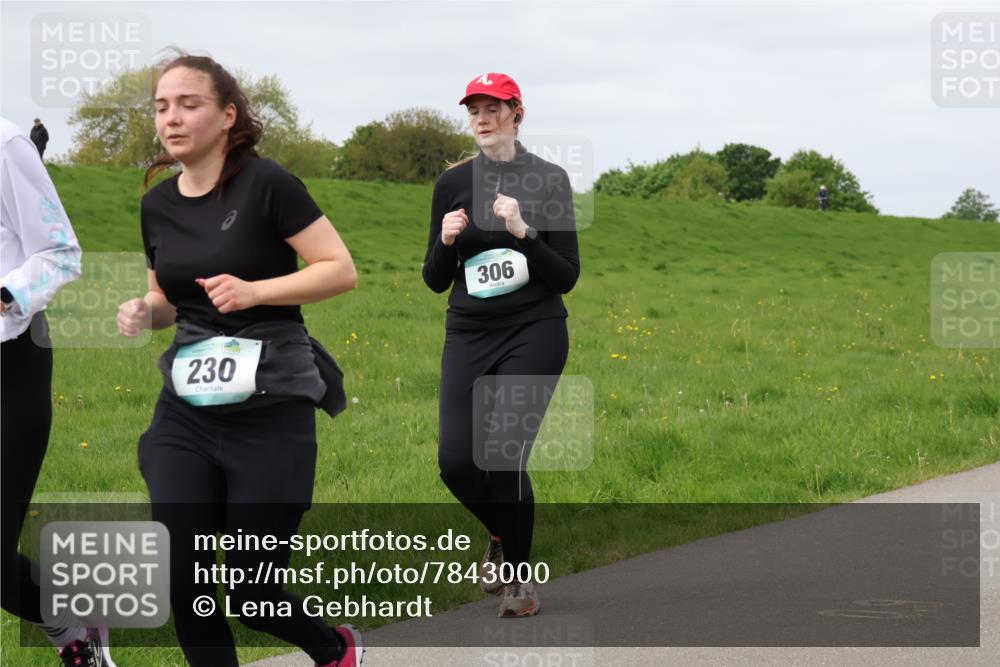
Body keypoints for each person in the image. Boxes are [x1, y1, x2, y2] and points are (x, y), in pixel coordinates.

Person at [115, 52, 361, 667]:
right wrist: (147, 311)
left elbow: (340, 270)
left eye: (189, 104)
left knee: (252, 591)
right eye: (162, 107)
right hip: (186, 413)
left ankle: (332, 648)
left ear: (227, 116)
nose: (172, 118)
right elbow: (169, 299)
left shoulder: (267, 184)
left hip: (270, 405)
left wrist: (257, 292)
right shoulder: (157, 205)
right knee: (186, 580)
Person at [422, 73, 580, 617]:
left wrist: (523, 233)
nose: (482, 119)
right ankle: (497, 532)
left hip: (534, 330)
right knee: (455, 464)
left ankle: (518, 580)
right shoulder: (452, 184)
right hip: (468, 332)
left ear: (517, 113)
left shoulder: (550, 180)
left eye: (494, 108)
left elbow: (566, 276)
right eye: (474, 110)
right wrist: (445, 242)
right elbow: (435, 279)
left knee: (503, 454)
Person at [1, 117, 116, 666]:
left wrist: (5, 295)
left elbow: (62, 253)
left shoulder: (6, 145)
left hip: (10, 362)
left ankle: (75, 622)